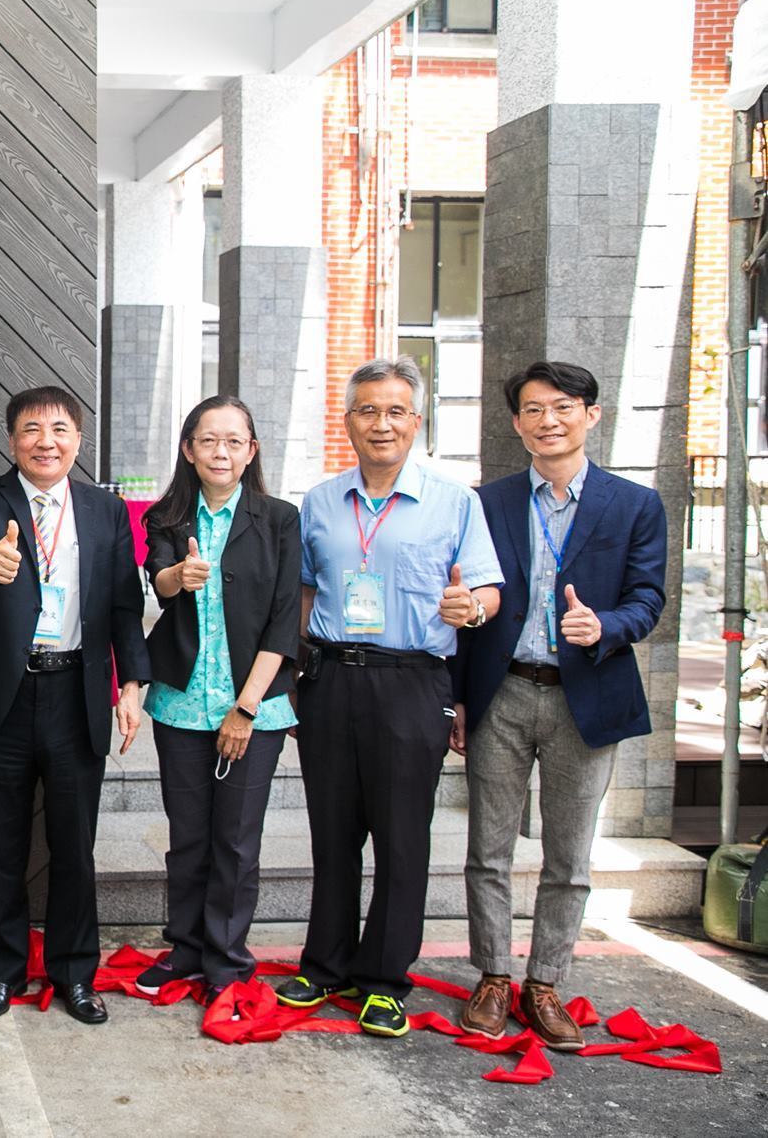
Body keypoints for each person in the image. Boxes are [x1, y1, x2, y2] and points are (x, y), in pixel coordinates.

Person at [275, 356, 504, 1037]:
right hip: (331, 677)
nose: (381, 423)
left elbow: (488, 588)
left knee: (402, 838)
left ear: (416, 421)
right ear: (347, 421)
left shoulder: (455, 501)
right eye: (367, 411)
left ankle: (383, 979)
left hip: (411, 679)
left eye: (395, 411)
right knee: (333, 833)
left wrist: (474, 609)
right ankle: (324, 965)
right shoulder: (317, 502)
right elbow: (306, 592)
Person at [451, 361, 667, 1050]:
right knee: (486, 849)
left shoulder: (633, 504)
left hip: (586, 695)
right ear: (516, 424)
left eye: (563, 407)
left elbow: (648, 598)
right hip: (502, 690)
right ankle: (492, 976)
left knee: (568, 856)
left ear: (590, 415)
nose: (549, 420)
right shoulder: (487, 503)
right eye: (534, 410)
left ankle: (543, 981)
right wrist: (456, 700)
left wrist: (605, 625)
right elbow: (464, 605)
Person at [0, 385, 149, 1025]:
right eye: (31, 430)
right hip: (2, 698)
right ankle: (0, 975)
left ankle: (75, 974)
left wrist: (131, 687)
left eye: (59, 429)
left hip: (75, 693)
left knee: (73, 848)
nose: (46, 441)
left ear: (78, 441)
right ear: (12, 441)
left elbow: (122, 606)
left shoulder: (105, 512)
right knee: (0, 846)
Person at [138, 396, 300, 1003]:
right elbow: (156, 579)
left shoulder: (280, 520)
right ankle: (184, 949)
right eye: (208, 440)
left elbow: (286, 621)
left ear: (252, 451)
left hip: (254, 705)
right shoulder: (167, 518)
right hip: (180, 701)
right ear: (188, 449)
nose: (221, 452)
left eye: (235, 441)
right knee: (188, 835)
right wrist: (178, 578)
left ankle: (227, 959)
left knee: (236, 838)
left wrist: (247, 707)